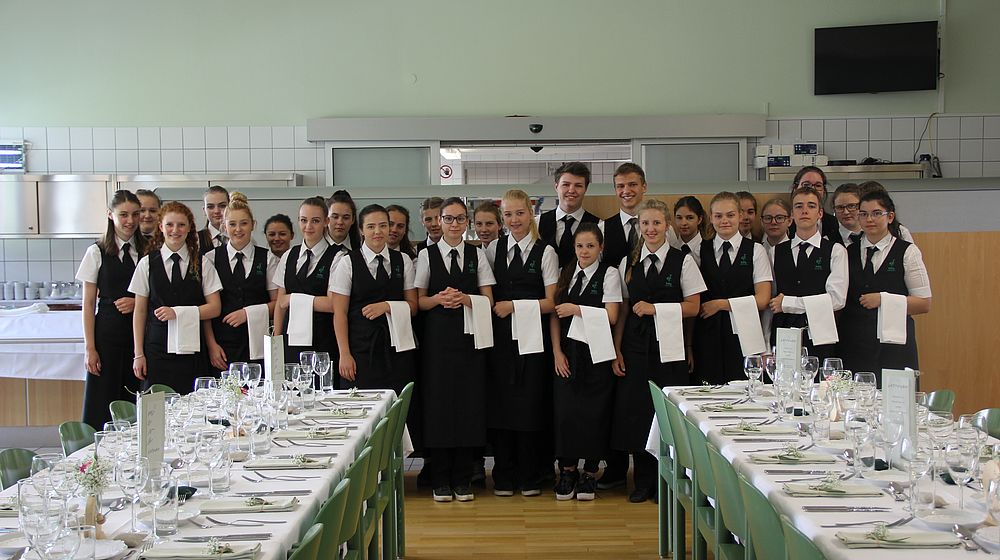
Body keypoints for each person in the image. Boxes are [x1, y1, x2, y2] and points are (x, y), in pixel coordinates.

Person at [612, 199, 705, 503]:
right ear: (639, 227)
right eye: (645, 223)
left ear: (667, 225)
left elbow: (694, 307)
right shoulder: (629, 262)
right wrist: (616, 348)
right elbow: (624, 309)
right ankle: (642, 481)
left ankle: (668, 484)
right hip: (636, 346)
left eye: (656, 223)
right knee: (637, 413)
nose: (650, 229)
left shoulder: (684, 260)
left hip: (671, 347)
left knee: (666, 414)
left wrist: (656, 309)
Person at [415, 197, 496, 503]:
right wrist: (439, 299)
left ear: (467, 223)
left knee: (467, 406)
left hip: (469, 342)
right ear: (439, 221)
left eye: (460, 219)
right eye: (447, 219)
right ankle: (440, 478)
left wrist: (465, 299)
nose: (453, 224)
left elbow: (489, 300)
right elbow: (418, 302)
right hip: (437, 342)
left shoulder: (477, 255)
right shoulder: (426, 255)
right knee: (439, 408)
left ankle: (463, 478)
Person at [489, 189, 559, 498]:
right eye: (508, 214)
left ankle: (532, 475)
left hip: (534, 340)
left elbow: (553, 301)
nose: (514, 220)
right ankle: (504, 474)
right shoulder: (492, 249)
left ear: (530, 214)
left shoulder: (546, 252)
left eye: (519, 213)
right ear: (502, 218)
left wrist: (515, 305)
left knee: (531, 404)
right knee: (502, 405)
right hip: (501, 341)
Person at [549, 223, 622, 501]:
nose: (585, 251)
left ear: (600, 247)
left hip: (597, 354)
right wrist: (556, 351)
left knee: (594, 413)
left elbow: (612, 315)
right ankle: (567, 470)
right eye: (580, 246)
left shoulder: (609, 274)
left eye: (591, 245)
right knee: (566, 414)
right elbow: (556, 315)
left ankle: (590, 473)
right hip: (568, 351)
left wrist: (577, 309)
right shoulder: (565, 273)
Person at [838, 191, 931, 386]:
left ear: (890, 217)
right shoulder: (846, 252)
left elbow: (923, 303)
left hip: (894, 348)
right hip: (854, 345)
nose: (869, 219)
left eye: (876, 213)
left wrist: (884, 299)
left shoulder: (907, 251)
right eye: (863, 214)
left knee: (897, 407)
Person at [130, 201, 222, 393]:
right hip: (157, 349)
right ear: (161, 227)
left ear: (189, 228)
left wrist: (177, 313)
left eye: (181, 225)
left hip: (193, 351)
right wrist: (138, 354)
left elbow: (215, 307)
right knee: (157, 405)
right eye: (170, 224)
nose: (175, 230)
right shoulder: (146, 264)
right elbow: (139, 311)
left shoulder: (202, 263)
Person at [76, 190, 148, 429]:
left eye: (135, 214)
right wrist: (90, 348)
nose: (130, 221)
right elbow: (87, 304)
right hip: (106, 336)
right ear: (110, 215)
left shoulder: (148, 249)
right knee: (102, 403)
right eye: (124, 215)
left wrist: (136, 303)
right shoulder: (96, 251)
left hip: (141, 338)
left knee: (136, 400)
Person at [330, 204, 417, 396]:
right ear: (361, 230)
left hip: (397, 348)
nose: (378, 232)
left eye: (383, 225)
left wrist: (387, 306)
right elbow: (340, 313)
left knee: (397, 407)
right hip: (361, 349)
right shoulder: (347, 263)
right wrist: (344, 354)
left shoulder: (403, 260)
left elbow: (413, 306)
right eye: (370, 227)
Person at [693, 192, 772, 385]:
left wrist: (722, 304)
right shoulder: (699, 250)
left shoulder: (756, 250)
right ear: (711, 218)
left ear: (740, 216)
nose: (724, 221)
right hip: (707, 332)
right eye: (718, 216)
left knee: (742, 390)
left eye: (730, 215)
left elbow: (762, 299)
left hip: (745, 334)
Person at [769, 187, 848, 361]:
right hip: (784, 332)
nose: (804, 210)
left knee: (819, 384)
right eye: (798, 206)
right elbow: (772, 301)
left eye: (811, 206)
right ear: (791, 215)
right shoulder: (776, 252)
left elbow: (836, 299)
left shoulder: (835, 251)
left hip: (821, 334)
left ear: (820, 213)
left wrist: (790, 303)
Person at [272, 197, 348, 377]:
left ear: (326, 222)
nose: (308, 226)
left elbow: (332, 304)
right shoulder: (289, 255)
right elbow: (279, 304)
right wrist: (276, 343)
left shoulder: (339, 257)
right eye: (303, 220)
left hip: (323, 339)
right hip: (290, 340)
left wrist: (293, 299)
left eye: (315, 221)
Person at [203, 192, 278, 371]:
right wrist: (211, 345)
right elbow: (205, 308)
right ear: (224, 226)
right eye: (232, 224)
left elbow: (278, 303)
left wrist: (248, 313)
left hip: (257, 345)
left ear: (253, 225)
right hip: (222, 345)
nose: (238, 229)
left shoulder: (268, 258)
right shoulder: (210, 258)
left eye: (244, 223)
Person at [538, 162, 601, 268]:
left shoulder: (599, 226)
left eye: (578, 185)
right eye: (566, 185)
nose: (571, 190)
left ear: (585, 189)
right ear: (556, 186)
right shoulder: (537, 223)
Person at [760, 197, 792, 348]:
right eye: (768, 218)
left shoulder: (795, 252)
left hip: (788, 320)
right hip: (759, 320)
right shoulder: (755, 250)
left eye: (779, 218)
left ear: (789, 221)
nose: (773, 222)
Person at [602, 163, 645, 267]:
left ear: (644, 187)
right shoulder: (602, 229)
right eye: (620, 186)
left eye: (632, 184)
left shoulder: (663, 227)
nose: (626, 191)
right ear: (615, 190)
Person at [787, 166, 841, 243]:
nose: (812, 189)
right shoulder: (785, 222)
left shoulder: (832, 222)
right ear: (795, 188)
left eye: (818, 185)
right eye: (806, 185)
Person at [671, 196, 708, 263]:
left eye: (690, 218)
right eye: (679, 218)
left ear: (699, 219)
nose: (683, 223)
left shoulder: (710, 249)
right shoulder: (670, 249)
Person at [197, 185, 230, 255]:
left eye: (222, 206)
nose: (216, 211)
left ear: (230, 208)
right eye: (210, 207)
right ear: (204, 210)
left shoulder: (240, 236)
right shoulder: (195, 240)